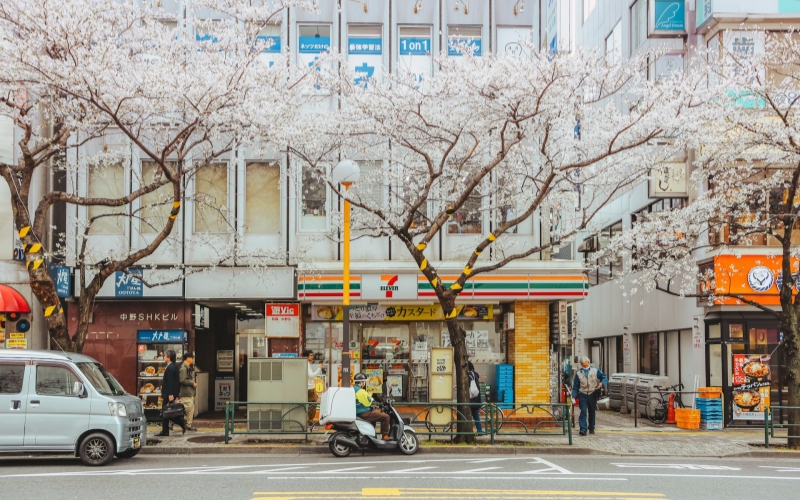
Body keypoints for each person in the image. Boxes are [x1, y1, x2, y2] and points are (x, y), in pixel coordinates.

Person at [572, 356, 608, 436]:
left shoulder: (595, 370)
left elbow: (604, 377)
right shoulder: (578, 373)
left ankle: (591, 427)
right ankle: (583, 429)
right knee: (583, 411)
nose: (585, 366)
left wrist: (602, 383)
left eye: (586, 365)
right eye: (583, 365)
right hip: (583, 394)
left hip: (592, 393)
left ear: (589, 362)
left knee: (592, 411)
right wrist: (573, 396)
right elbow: (575, 386)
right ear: (581, 364)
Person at [155, 349, 186, 436]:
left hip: (169, 394)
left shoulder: (170, 367)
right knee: (168, 411)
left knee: (166, 411)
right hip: (171, 393)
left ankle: (180, 422)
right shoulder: (173, 366)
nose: (164, 358)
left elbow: (171, 382)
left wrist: (171, 394)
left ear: (168, 358)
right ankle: (167, 429)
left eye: (165, 356)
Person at [353, 373, 391, 440]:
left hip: (360, 410)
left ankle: (372, 436)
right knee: (386, 417)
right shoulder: (360, 391)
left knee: (375, 417)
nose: (364, 383)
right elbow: (367, 402)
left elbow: (361, 401)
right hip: (364, 412)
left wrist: (373, 407)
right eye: (364, 381)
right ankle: (385, 435)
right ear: (361, 382)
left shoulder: (354, 388)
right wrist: (370, 395)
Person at [179, 351, 197, 431]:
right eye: (192, 358)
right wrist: (192, 382)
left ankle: (188, 425)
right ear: (188, 358)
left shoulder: (187, 367)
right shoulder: (183, 368)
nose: (193, 359)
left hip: (188, 392)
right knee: (187, 410)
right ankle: (172, 421)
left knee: (189, 410)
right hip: (185, 393)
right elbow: (182, 380)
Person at [305, 350, 323, 427]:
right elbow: (311, 375)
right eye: (311, 355)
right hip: (310, 388)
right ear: (307, 356)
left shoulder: (307, 364)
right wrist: (319, 368)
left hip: (310, 388)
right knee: (313, 405)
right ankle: (310, 422)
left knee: (311, 405)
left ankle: (309, 421)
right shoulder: (307, 364)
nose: (312, 357)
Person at [468, 361, 483, 435]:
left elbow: (468, 384)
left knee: (474, 414)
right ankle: (479, 430)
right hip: (476, 397)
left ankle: (479, 430)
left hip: (472, 398)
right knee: (475, 414)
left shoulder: (469, 374)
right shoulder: (475, 374)